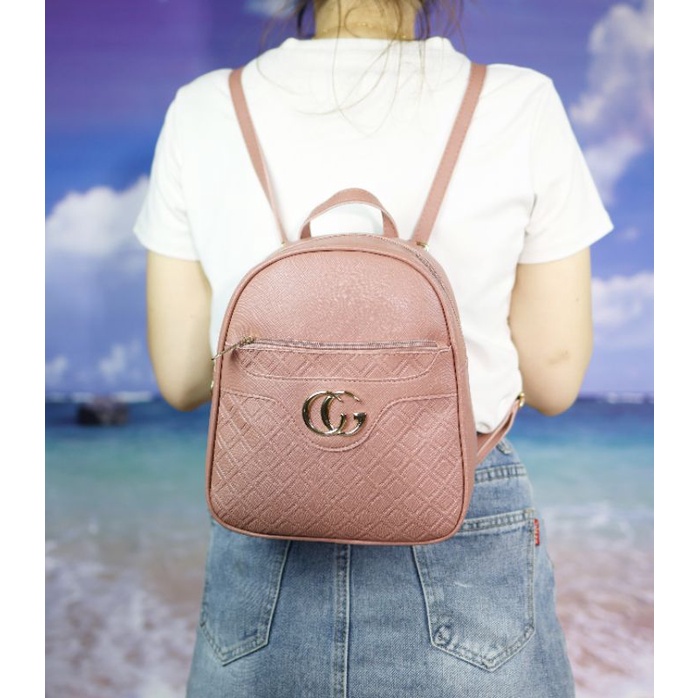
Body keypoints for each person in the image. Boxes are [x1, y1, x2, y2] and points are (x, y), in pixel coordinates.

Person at [133, 1, 613, 695]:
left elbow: (181, 378)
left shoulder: (205, 107)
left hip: (268, 506)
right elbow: (555, 379)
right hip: (460, 504)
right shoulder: (518, 101)